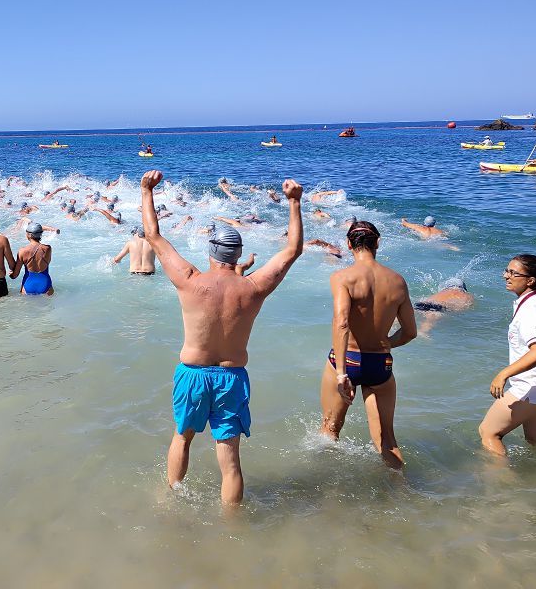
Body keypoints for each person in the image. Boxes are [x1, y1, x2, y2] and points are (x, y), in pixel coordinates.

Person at [141, 170, 304, 504]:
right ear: (237, 254)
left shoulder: (189, 280)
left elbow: (153, 235)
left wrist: (146, 191)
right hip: (231, 378)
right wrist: (294, 202)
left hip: (193, 375)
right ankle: (232, 527)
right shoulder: (253, 288)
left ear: (211, 252)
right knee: (230, 459)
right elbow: (292, 249)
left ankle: (171, 502)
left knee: (182, 438)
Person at [320, 221, 418, 469]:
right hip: (380, 365)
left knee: (330, 431)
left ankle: (329, 494)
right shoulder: (397, 281)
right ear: (378, 243)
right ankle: (402, 491)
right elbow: (410, 332)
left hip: (348, 361)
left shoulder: (342, 278)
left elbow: (342, 323)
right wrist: (387, 342)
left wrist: (342, 373)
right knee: (387, 441)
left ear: (349, 244)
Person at [478, 255, 536, 456]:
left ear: (530, 281)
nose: (506, 276)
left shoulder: (530, 309)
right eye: (506, 270)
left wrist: (503, 374)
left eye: (513, 273)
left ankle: (503, 483)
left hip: (532, 388)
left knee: (489, 433)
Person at [11, 222, 53, 295]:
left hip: (28, 285)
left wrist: (11, 274)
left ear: (29, 235)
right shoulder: (48, 248)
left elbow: (15, 276)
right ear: (40, 234)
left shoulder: (22, 251)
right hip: (45, 284)